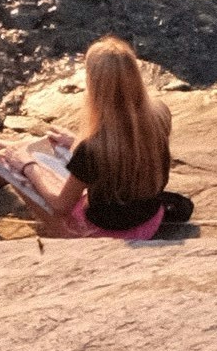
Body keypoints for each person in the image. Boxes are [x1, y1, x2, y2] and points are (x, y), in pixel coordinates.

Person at [46, 38, 193, 242]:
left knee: (17, 165)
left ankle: (58, 234)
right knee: (21, 156)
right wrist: (75, 141)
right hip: (149, 221)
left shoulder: (92, 148)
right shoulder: (160, 113)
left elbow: (61, 206)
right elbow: (128, 146)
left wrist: (27, 167)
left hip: (105, 233)